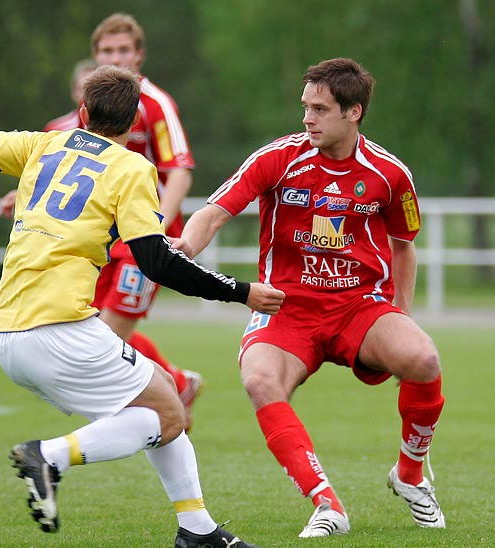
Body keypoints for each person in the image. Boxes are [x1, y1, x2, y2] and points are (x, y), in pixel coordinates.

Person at [0, 65, 285, 548]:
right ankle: (50, 457)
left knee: (163, 394)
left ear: (82, 112)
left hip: (8, 333)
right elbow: (156, 261)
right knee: (169, 418)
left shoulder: (44, 146)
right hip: (60, 329)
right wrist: (239, 291)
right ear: (131, 125)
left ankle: (198, 531)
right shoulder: (132, 169)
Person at [174, 58, 446, 538]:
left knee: (423, 358)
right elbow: (215, 211)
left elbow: (404, 244)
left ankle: (409, 474)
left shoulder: (390, 173)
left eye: (320, 109)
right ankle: (327, 505)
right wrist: (186, 246)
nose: (307, 118)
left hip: (358, 307)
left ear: (353, 112)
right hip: (285, 307)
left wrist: (400, 312)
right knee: (260, 381)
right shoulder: (278, 158)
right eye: (305, 107)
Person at [1, 13, 205, 431]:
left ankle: (133, 416)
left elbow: (180, 170)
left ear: (139, 55)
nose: (117, 57)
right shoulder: (72, 123)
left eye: (124, 50)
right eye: (107, 51)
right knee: (95, 331)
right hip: (96, 240)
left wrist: (154, 229)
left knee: (107, 335)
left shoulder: (155, 104)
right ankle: (176, 384)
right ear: (95, 57)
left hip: (141, 240)